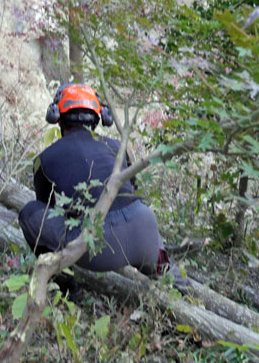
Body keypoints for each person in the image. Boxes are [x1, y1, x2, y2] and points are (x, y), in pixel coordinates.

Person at [18, 83, 187, 299]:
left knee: (30, 213)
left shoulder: (45, 158)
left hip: (98, 249)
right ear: (99, 118)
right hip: (145, 231)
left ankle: (68, 288)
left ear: (57, 116)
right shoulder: (117, 147)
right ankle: (187, 295)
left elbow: (48, 211)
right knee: (168, 273)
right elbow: (131, 189)